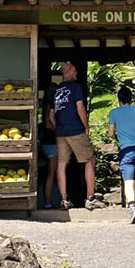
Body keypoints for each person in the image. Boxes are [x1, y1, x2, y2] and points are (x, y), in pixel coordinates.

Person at [49, 60, 97, 211]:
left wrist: (60, 127)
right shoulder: (76, 87)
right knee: (89, 161)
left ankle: (64, 200)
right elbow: (80, 107)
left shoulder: (55, 91)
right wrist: (86, 126)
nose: (76, 73)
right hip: (75, 130)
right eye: (75, 70)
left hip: (61, 133)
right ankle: (90, 198)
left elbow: (51, 115)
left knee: (61, 165)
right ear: (68, 72)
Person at [107, 84, 135, 224]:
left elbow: (110, 133)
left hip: (127, 151)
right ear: (131, 99)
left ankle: (132, 208)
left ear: (118, 99)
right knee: (134, 175)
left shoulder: (114, 112)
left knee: (128, 180)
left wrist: (117, 138)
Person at [39, 74, 60, 209]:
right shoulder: (50, 106)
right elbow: (48, 123)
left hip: (47, 142)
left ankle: (50, 200)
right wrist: (59, 129)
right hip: (51, 141)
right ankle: (47, 202)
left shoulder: (45, 105)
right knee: (52, 173)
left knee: (53, 172)